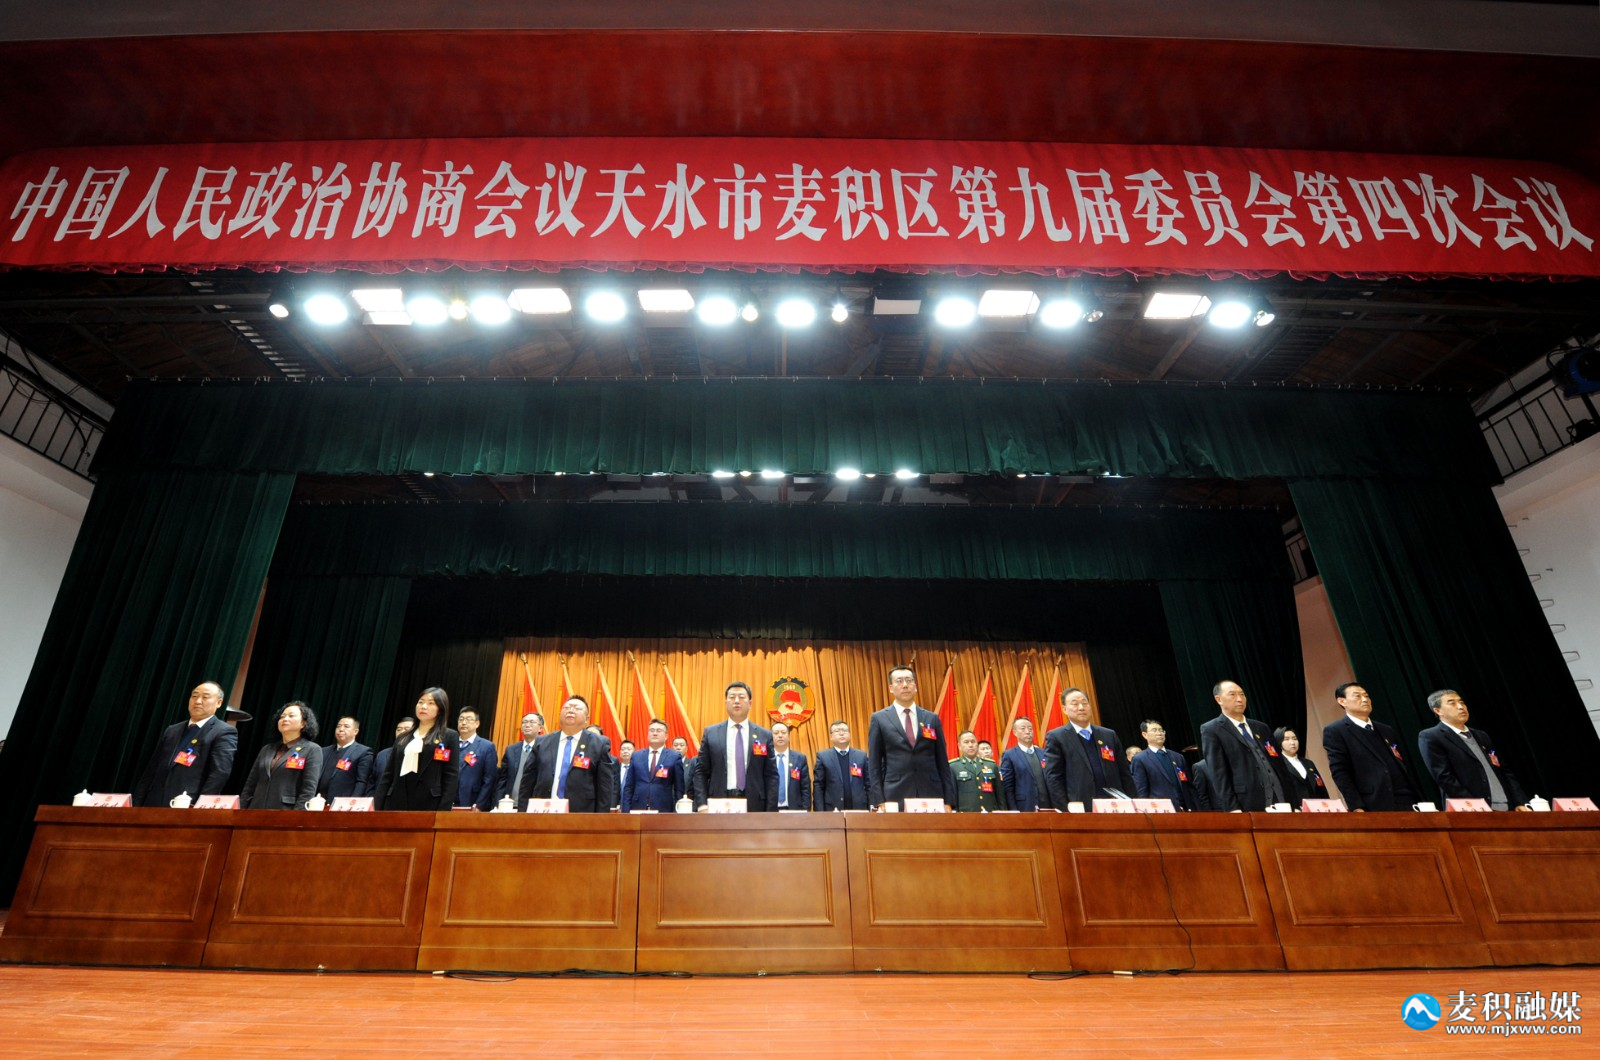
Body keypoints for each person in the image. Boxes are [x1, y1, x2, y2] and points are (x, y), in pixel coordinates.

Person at [1417, 689, 1531, 811]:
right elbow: (1444, 777)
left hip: (1507, 807)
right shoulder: (1432, 736)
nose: (1461, 707)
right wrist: (1474, 806)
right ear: (1438, 711)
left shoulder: (1481, 736)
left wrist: (1519, 801)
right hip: (1470, 811)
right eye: (1452, 703)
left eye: (1462, 702)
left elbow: (1502, 769)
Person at [132, 680, 239, 807]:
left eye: (205, 697)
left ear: (219, 703)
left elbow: (219, 773)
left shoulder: (223, 731)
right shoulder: (172, 730)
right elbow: (151, 770)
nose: (198, 701)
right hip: (153, 803)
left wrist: (200, 806)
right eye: (194, 696)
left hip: (187, 805)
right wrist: (136, 804)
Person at [866, 665, 956, 811]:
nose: (905, 685)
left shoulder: (931, 718)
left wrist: (948, 801)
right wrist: (879, 800)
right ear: (891, 688)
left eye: (909, 680)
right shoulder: (879, 719)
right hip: (894, 795)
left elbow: (942, 762)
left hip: (931, 793)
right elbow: (874, 763)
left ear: (915, 686)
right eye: (899, 681)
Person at [1321, 682, 1419, 812]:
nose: (1364, 700)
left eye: (1366, 696)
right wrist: (1356, 806)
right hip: (1374, 803)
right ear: (1342, 701)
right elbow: (1340, 772)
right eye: (1357, 696)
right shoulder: (1336, 731)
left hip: (1408, 800)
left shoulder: (1386, 729)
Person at [1199, 679, 1287, 812]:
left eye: (1242, 694)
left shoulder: (1261, 727)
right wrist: (1232, 808)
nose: (1240, 699)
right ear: (1219, 699)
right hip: (1247, 802)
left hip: (1281, 799)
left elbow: (1280, 766)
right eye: (1232, 694)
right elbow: (1218, 774)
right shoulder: (1212, 729)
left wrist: (1294, 801)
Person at [1042, 687, 1134, 810]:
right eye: (1075, 704)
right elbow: (1054, 778)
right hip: (1080, 807)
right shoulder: (1057, 737)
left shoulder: (1108, 735)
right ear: (1064, 709)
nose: (1081, 707)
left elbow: (1124, 772)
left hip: (1115, 805)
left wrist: (1132, 802)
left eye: (1084, 703)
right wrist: (1065, 809)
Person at [518, 696, 615, 813]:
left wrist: (601, 819)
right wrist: (522, 814)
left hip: (581, 814)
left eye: (577, 708)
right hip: (544, 811)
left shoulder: (599, 743)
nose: (570, 710)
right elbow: (527, 782)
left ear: (587, 719)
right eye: (566, 707)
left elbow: (605, 787)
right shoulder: (541, 742)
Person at [693, 681, 778, 811]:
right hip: (719, 802)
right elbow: (701, 772)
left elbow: (771, 775)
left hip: (755, 804)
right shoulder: (711, 733)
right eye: (732, 697)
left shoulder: (764, 735)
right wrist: (702, 805)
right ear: (726, 703)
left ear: (750, 703)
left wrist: (770, 811)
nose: (736, 701)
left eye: (742, 697)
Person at [375, 688, 460, 811]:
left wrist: (443, 811)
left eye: (430, 703)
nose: (423, 706)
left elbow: (451, 777)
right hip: (395, 801)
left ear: (440, 709)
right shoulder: (403, 737)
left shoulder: (448, 736)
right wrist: (378, 806)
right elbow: (388, 774)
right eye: (421, 702)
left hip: (429, 804)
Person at [240, 701, 323, 810]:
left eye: (291, 716)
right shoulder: (266, 749)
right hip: (255, 809)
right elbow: (250, 785)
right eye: (282, 716)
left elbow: (308, 790)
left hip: (285, 812)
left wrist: (297, 816)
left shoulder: (312, 749)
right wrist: (241, 809)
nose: (285, 719)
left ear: (304, 723)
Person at [622, 718, 686, 812]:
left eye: (659, 731)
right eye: (652, 730)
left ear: (666, 736)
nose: (655, 733)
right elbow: (629, 787)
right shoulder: (636, 756)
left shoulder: (674, 757)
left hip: (664, 809)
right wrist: (625, 812)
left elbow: (679, 789)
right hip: (637, 808)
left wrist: (677, 812)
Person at [1129, 719, 1193, 811]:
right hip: (1161, 810)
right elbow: (1141, 790)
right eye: (1154, 730)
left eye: (1161, 730)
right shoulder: (1140, 759)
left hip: (1187, 809)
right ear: (1144, 735)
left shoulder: (1178, 757)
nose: (1159, 733)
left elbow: (1189, 786)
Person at [813, 719, 869, 811]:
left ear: (849, 734)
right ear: (831, 737)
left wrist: (872, 807)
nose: (841, 733)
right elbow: (818, 786)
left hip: (859, 808)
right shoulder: (823, 757)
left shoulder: (861, 756)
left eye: (844, 730)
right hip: (832, 809)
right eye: (837, 731)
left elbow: (869, 784)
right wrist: (820, 812)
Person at [999, 718, 1053, 811]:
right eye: (1023, 728)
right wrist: (1013, 810)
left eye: (1030, 729)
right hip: (1024, 806)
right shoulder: (1009, 755)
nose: (1028, 732)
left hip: (1047, 805)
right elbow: (1008, 787)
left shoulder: (1043, 753)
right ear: (1015, 732)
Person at [317, 714, 374, 800]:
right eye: (338, 726)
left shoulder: (363, 752)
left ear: (355, 731)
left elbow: (361, 782)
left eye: (346, 726)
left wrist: (352, 802)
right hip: (318, 800)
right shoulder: (323, 751)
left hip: (342, 803)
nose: (341, 729)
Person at [1271, 727, 1328, 809]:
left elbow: (1320, 786)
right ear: (1279, 742)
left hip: (1317, 808)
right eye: (1286, 739)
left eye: (1294, 739)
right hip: (1295, 809)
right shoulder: (1278, 764)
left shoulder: (1308, 763)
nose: (1292, 742)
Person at [454, 708, 499, 811]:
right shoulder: (450, 743)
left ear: (477, 724)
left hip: (472, 801)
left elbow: (489, 779)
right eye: (461, 719)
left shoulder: (487, 746)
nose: (464, 723)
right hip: (448, 801)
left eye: (469, 719)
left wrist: (479, 804)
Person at [950, 730, 1006, 812]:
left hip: (991, 813)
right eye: (966, 742)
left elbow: (1000, 795)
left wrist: (1003, 812)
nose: (970, 745)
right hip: (966, 815)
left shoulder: (991, 765)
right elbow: (953, 796)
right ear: (959, 746)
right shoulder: (953, 767)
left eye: (973, 742)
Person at [495, 712, 543, 806]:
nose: (527, 725)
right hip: (509, 804)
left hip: (533, 805)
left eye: (532, 722)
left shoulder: (545, 750)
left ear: (540, 728)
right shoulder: (511, 750)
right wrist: (497, 803)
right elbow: (503, 780)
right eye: (524, 722)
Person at [771, 721, 810, 810]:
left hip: (794, 809)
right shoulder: (766, 758)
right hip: (770, 810)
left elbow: (805, 788)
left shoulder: (799, 758)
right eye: (776, 733)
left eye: (783, 733)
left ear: (788, 736)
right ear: (771, 736)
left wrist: (806, 811)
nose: (780, 736)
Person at [372, 716, 416, 794]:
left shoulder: (420, 754)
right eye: (399, 729)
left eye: (406, 729)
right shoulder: (382, 754)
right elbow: (372, 781)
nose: (401, 732)